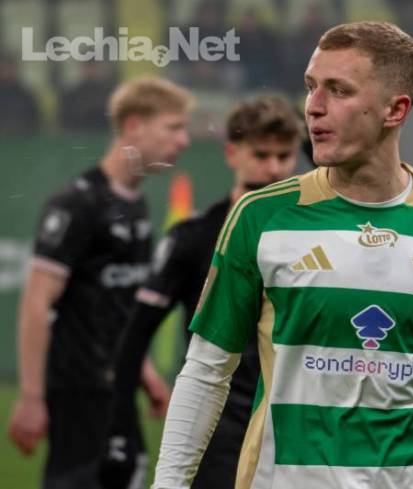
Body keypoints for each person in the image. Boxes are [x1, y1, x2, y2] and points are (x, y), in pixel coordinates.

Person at [152, 21, 413, 489]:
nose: (313, 107)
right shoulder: (261, 217)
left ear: (396, 109)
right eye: (310, 87)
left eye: (338, 90)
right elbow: (205, 371)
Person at [109, 93, 304, 489]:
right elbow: (133, 338)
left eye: (285, 156)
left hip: (294, 430)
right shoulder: (193, 238)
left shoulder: (316, 238)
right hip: (218, 434)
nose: (273, 168)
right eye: (261, 155)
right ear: (232, 153)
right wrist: (120, 428)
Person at [8, 76, 192, 489]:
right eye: (173, 127)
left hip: (117, 387)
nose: (183, 141)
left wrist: (144, 371)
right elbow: (36, 302)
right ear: (133, 126)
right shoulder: (78, 204)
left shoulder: (136, 204)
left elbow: (120, 305)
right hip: (78, 391)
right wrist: (32, 396)